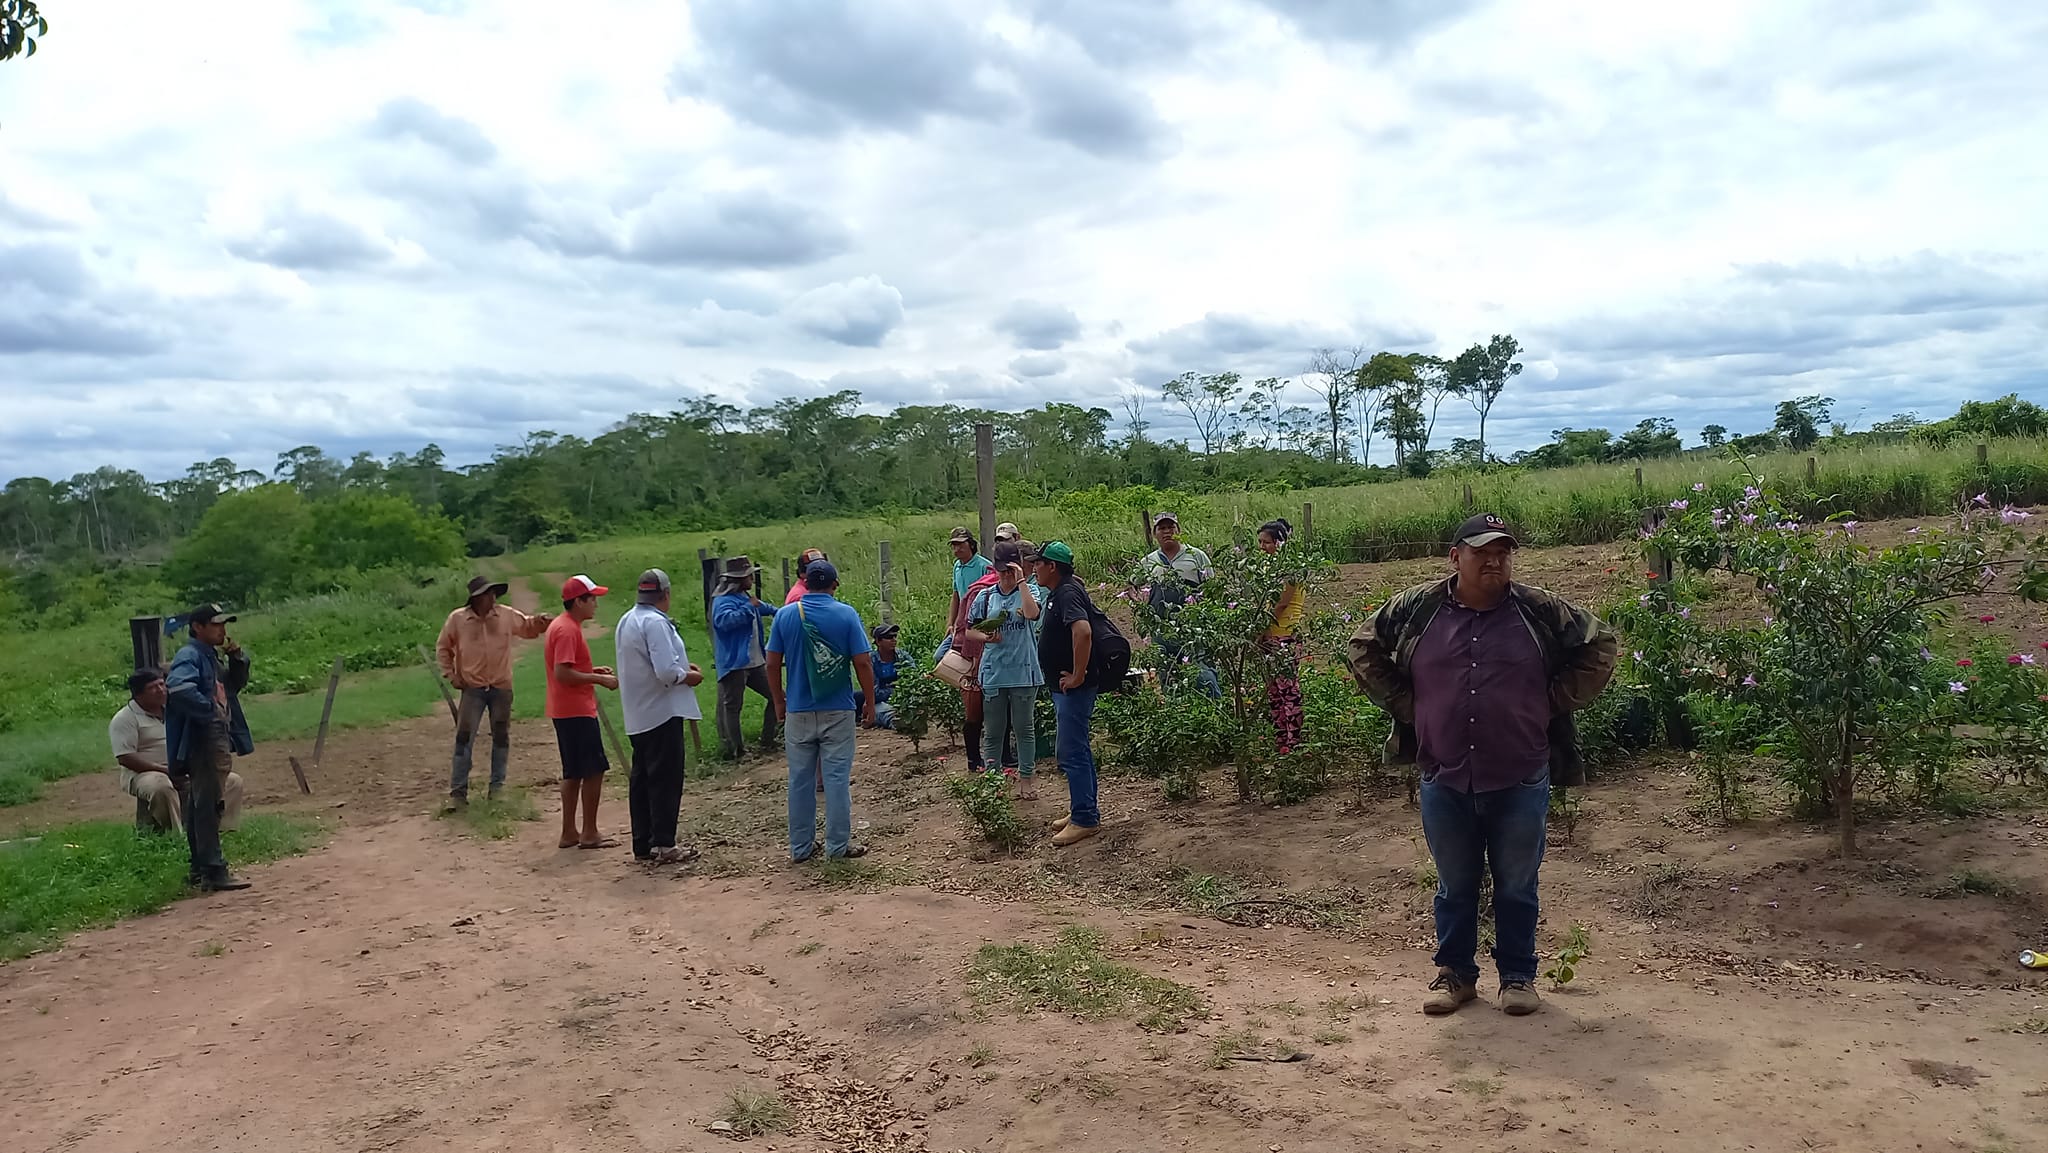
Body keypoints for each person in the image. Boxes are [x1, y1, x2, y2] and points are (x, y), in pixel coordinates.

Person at [1347, 513, 1618, 1018]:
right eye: (1481, 552)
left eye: (1503, 552)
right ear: (1456, 557)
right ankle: (1455, 975)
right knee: (1455, 883)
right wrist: (1409, 706)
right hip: (1444, 774)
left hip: (1519, 773)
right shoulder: (1417, 608)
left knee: (1517, 883)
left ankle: (1517, 978)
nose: (1494, 560)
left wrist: (1553, 699)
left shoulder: (1538, 610)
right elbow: (1363, 646)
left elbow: (1601, 645)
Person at [765, 561, 878, 862]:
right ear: (834, 585)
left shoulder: (785, 615)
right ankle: (837, 847)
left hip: (798, 710)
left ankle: (801, 848)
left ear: (805, 582)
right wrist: (868, 701)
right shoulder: (846, 614)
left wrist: (779, 700)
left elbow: (773, 663)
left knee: (799, 781)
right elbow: (863, 663)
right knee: (836, 780)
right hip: (838, 709)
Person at [435, 575, 552, 808]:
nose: (493, 598)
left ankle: (497, 789)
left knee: (501, 738)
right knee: (464, 738)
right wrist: (451, 675)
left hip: (501, 687)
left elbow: (527, 627)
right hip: (473, 688)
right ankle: (458, 793)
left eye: (494, 593)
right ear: (477, 598)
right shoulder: (458, 619)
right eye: (488, 594)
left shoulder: (505, 615)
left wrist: (540, 621)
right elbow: (443, 647)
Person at [616, 569, 706, 865]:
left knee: (642, 778)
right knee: (665, 779)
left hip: (638, 711)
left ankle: (643, 842)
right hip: (661, 711)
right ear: (665, 594)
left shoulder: (627, 620)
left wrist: (679, 667)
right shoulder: (655, 622)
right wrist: (688, 676)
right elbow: (666, 673)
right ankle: (665, 843)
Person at [164, 603, 253, 891]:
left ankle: (200, 869)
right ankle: (213, 870)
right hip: (204, 739)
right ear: (198, 627)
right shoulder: (190, 655)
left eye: (223, 624)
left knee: (202, 804)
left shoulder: (208, 656)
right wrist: (210, 712)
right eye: (215, 625)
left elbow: (231, 688)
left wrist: (237, 659)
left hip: (212, 736)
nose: (222, 630)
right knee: (208, 805)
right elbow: (178, 688)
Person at [110, 668, 243, 835]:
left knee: (232, 781)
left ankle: (219, 831)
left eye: (161, 684)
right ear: (138, 694)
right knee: (162, 787)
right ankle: (177, 834)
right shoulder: (125, 719)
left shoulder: (175, 710)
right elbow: (125, 758)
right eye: (153, 687)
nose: (161, 690)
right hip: (143, 773)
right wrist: (166, 770)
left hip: (179, 766)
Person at [1034, 542, 1106, 847]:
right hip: (1065, 687)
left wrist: (1078, 674)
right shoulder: (1060, 592)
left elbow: (1083, 632)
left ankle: (1085, 818)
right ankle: (1082, 808)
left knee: (1072, 751)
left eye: (1039, 562)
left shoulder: (1066, 592)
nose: (1034, 567)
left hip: (1074, 689)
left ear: (1053, 566)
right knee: (1076, 750)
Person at [546, 574, 618, 850]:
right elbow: (563, 673)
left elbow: (567, 667)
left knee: (573, 771)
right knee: (593, 769)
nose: (596, 605)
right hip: (576, 709)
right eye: (592, 599)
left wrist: (591, 670)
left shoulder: (561, 625)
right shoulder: (567, 630)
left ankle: (569, 832)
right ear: (579, 601)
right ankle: (589, 832)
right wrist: (599, 680)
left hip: (565, 708)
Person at [967, 541, 1042, 797]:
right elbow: (970, 629)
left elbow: (1032, 615)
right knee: (994, 730)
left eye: (1011, 569)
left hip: (1024, 670)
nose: (1007, 575)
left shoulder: (1030, 590)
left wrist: (1021, 583)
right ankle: (993, 780)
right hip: (995, 670)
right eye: (1003, 571)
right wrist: (986, 637)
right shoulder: (985, 596)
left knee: (1024, 728)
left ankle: (1026, 780)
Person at [1141, 512, 1220, 697]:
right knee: (1168, 676)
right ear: (1154, 534)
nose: (1167, 532)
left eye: (1171, 527)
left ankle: (1215, 712)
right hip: (1161, 630)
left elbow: (1211, 590)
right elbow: (1133, 588)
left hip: (1194, 630)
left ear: (1179, 531)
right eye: (1162, 528)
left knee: (1203, 674)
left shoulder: (1196, 556)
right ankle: (1177, 716)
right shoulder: (1147, 562)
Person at [711, 555, 779, 758]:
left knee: (777, 696)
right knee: (733, 707)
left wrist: (784, 613)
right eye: (750, 576)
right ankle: (737, 751)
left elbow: (765, 608)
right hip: (736, 663)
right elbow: (724, 622)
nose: (752, 579)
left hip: (754, 661)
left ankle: (768, 741)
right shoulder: (723, 602)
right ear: (740, 579)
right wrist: (749, 608)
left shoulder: (743, 597)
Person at [949, 533, 1005, 773]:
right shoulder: (981, 590)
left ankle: (995, 757)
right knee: (975, 710)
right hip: (976, 654)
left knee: (993, 708)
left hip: (992, 654)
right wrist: (972, 660)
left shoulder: (991, 576)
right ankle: (974, 759)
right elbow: (966, 625)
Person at [1257, 518, 1306, 755]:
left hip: (1284, 636)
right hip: (1271, 636)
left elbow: (1280, 604)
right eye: (1260, 542)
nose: (1262, 547)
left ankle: (1293, 741)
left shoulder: (1290, 570)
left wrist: (1258, 630)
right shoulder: (1271, 569)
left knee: (1288, 691)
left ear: (1279, 542)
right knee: (1275, 692)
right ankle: (1282, 741)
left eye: (1266, 542)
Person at [869, 623, 911, 729]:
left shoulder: (903, 656)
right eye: (888, 637)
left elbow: (912, 681)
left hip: (904, 700)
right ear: (878, 641)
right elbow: (874, 693)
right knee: (884, 711)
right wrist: (897, 690)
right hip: (880, 703)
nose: (893, 640)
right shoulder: (870, 661)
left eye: (895, 636)